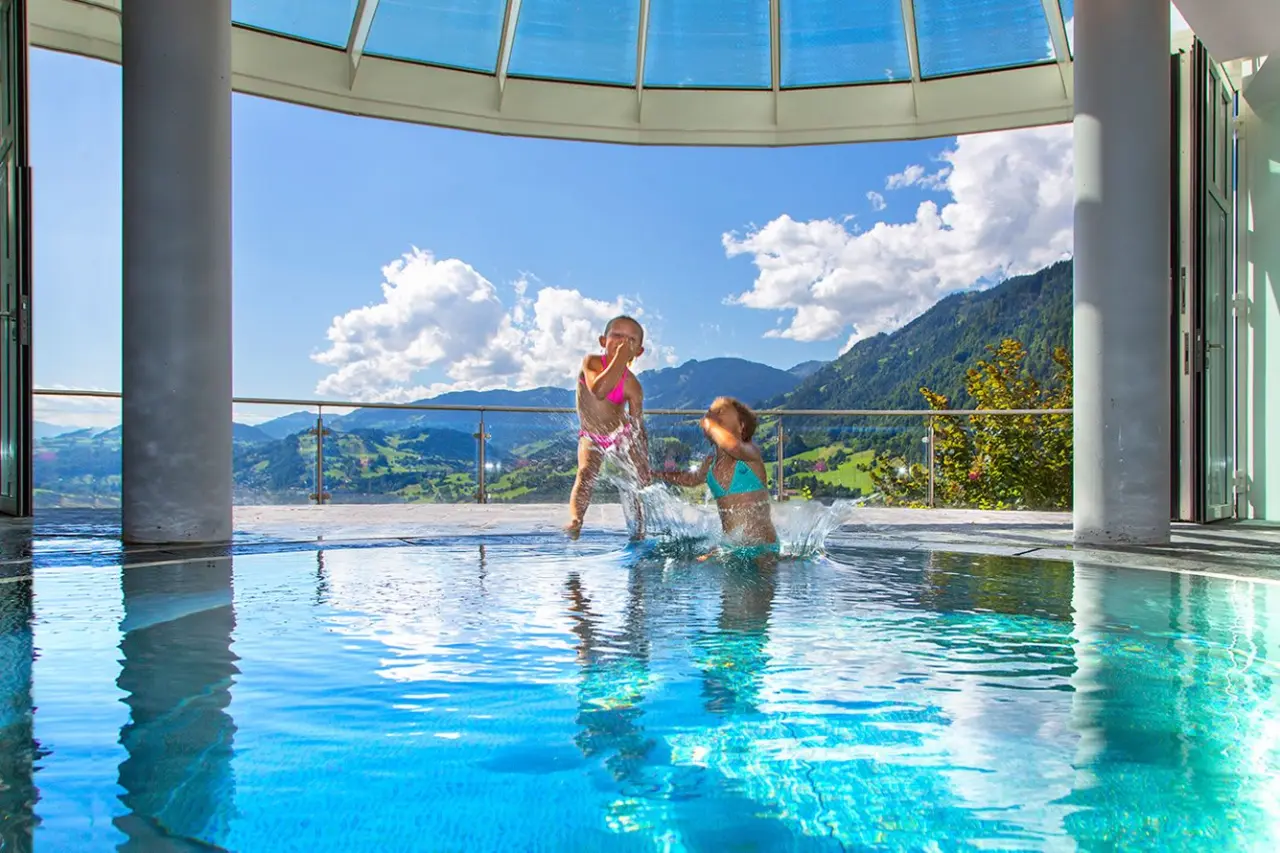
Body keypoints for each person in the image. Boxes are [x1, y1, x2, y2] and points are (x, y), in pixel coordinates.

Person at [656, 396, 779, 567]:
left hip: (762, 550)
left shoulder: (750, 454)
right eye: (710, 412)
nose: (712, 414)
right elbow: (691, 479)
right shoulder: (710, 463)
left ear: (741, 426)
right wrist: (656, 474)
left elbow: (733, 446)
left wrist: (710, 424)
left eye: (720, 412)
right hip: (732, 549)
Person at [567, 315, 650, 540]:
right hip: (591, 436)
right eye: (617, 336)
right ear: (603, 341)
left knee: (635, 481)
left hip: (620, 435)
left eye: (631, 340)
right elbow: (600, 389)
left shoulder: (633, 385)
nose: (623, 342)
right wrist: (621, 358)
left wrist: (643, 458)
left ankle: (639, 529)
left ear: (639, 352)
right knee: (585, 473)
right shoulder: (592, 362)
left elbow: (637, 425)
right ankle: (576, 519)